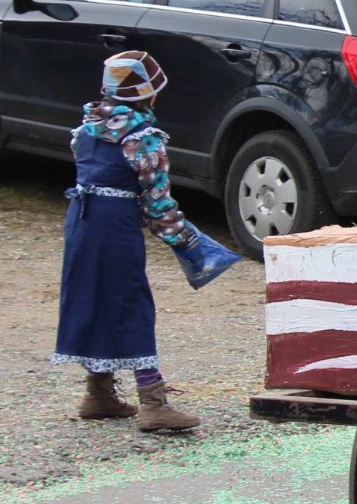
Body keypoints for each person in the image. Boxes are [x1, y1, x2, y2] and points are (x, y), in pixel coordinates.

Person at [50, 52, 240, 432]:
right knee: (131, 302)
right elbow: (157, 203)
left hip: (81, 224)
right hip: (115, 228)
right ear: (146, 95)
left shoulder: (85, 131)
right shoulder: (143, 139)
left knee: (93, 299)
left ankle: (98, 392)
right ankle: (153, 403)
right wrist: (187, 242)